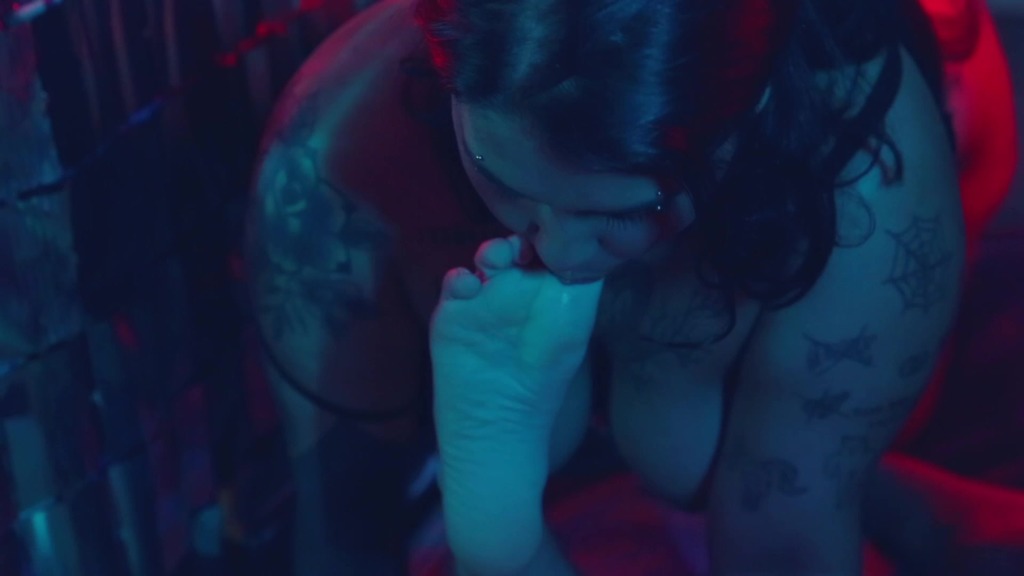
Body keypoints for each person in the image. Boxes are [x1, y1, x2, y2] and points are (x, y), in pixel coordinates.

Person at [244, 0, 1018, 574]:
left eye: (625, 210)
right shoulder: (337, 162)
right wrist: (493, 508)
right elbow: (345, 532)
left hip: (844, 147)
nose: (558, 249)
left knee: (693, 445)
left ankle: (896, 500)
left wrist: (498, 534)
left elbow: (785, 539)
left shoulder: (866, 193)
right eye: (500, 176)